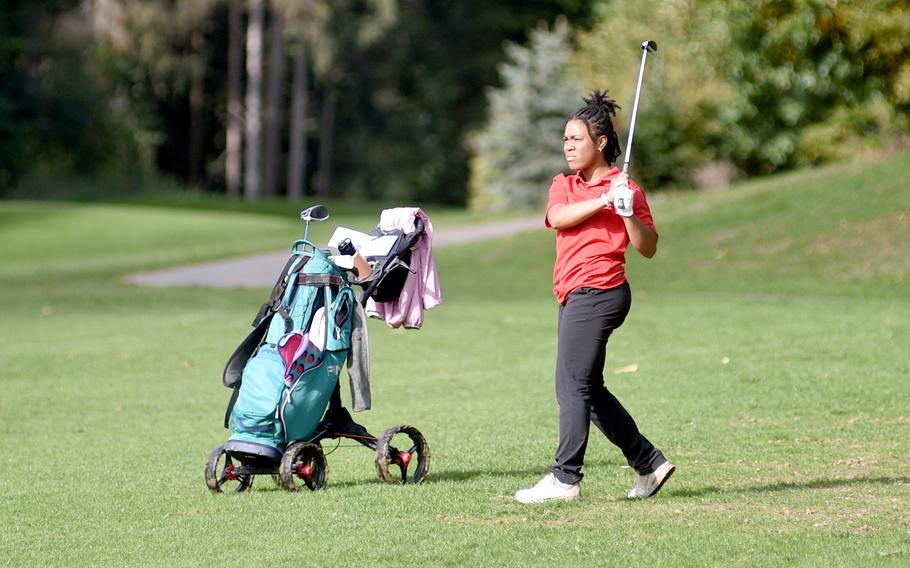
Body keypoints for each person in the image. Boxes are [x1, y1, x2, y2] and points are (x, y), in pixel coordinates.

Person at [515, 90, 675, 504]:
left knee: (571, 387)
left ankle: (565, 478)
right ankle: (649, 463)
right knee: (589, 388)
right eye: (565, 139)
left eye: (576, 139)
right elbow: (557, 217)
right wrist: (602, 199)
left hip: (600, 292)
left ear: (600, 142)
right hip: (573, 294)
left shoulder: (627, 189)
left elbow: (648, 246)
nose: (568, 146)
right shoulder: (564, 185)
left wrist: (624, 211)